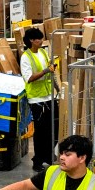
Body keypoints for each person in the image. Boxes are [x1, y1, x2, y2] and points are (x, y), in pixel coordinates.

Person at [20, 27, 57, 170]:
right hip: (36, 100)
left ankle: (48, 155)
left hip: (49, 96)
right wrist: (46, 70)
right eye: (38, 39)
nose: (41, 41)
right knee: (41, 131)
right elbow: (29, 78)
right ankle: (37, 161)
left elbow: (49, 71)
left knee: (52, 128)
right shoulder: (25, 57)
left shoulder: (42, 52)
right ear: (31, 41)